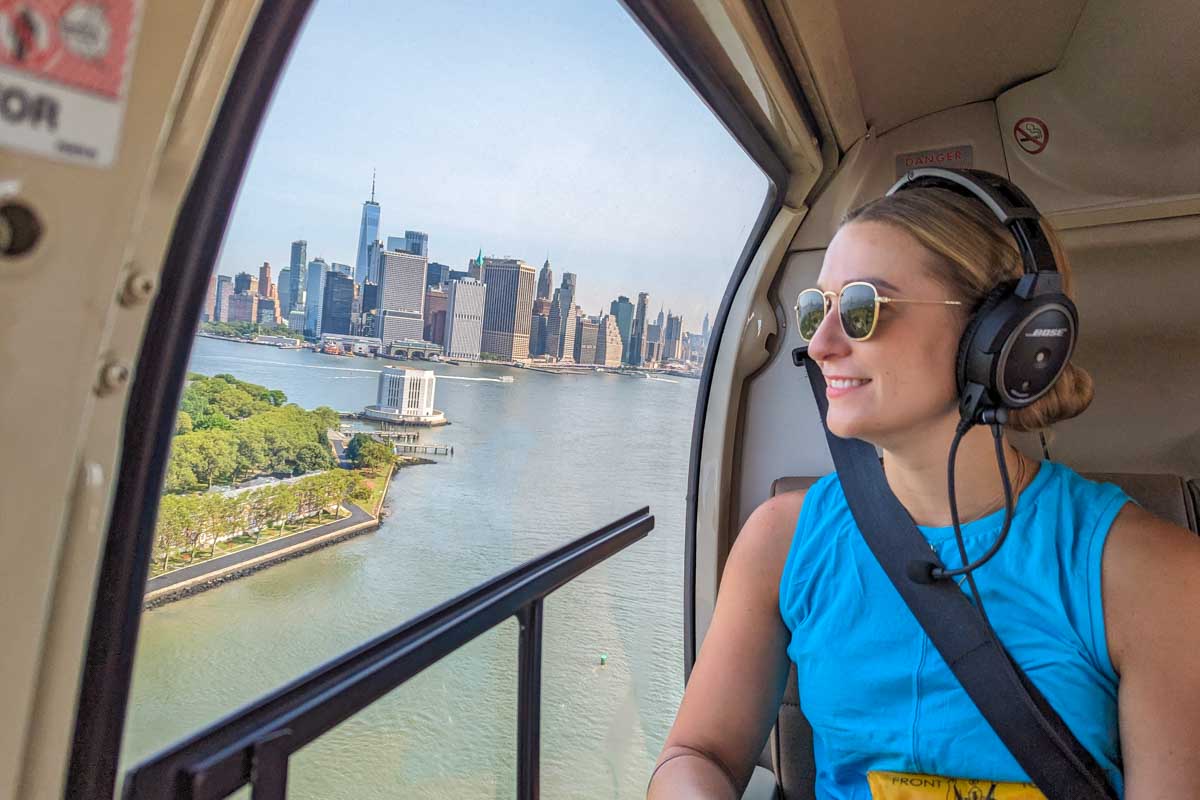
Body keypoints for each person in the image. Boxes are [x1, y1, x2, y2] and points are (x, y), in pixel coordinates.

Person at [646, 187, 1200, 798]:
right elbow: (696, 754)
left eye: (862, 307)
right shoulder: (780, 541)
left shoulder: (1152, 574)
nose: (821, 345)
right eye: (816, 308)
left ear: (998, 337)